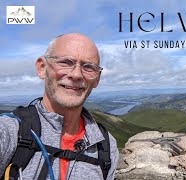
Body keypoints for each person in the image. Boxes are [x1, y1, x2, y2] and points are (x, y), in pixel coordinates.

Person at [0, 33, 118, 179]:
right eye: (65, 62)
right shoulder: (11, 131)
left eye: (88, 67)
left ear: (97, 79)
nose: (76, 75)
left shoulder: (106, 145)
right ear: (42, 68)